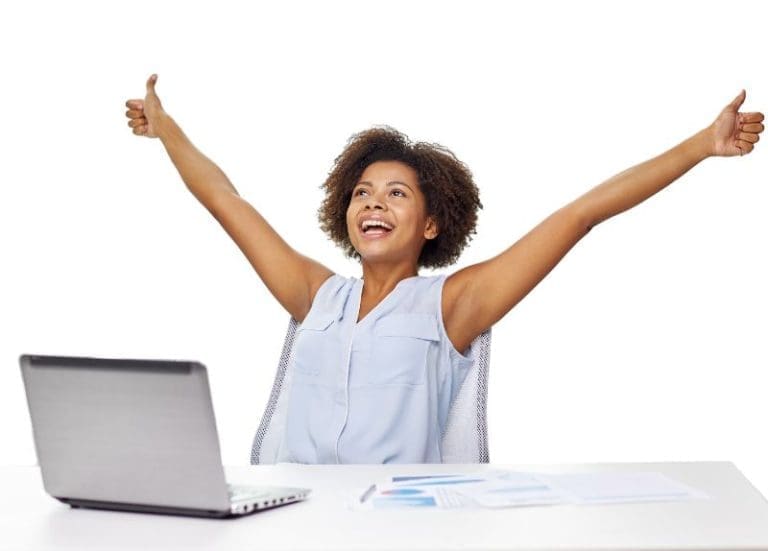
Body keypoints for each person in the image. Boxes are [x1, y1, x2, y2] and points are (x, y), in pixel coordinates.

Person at [125, 74, 763, 464]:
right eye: (362, 192)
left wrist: (699, 147)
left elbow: (582, 214)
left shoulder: (451, 306)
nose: (373, 202)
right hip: (299, 521)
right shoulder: (315, 295)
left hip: (403, 530)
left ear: (432, 224)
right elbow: (224, 199)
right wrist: (167, 128)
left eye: (397, 193)